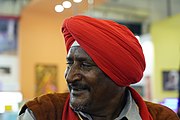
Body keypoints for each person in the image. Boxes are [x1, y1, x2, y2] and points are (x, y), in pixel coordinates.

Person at [18, 15, 179, 120]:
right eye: (70, 63)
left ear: (118, 75)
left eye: (85, 65)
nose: (70, 76)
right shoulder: (43, 113)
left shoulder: (161, 117)